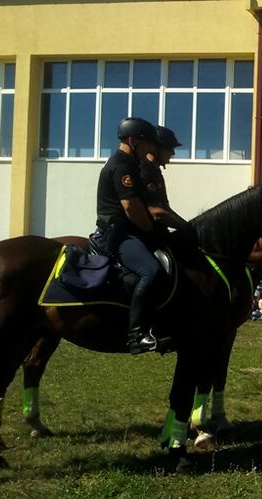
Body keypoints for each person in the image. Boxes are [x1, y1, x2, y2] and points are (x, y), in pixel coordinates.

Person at [94, 117, 165, 354]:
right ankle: (136, 335)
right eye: (146, 144)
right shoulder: (122, 166)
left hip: (127, 232)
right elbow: (130, 207)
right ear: (132, 141)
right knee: (151, 270)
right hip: (118, 235)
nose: (150, 149)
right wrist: (149, 229)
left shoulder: (131, 164)